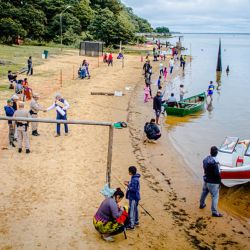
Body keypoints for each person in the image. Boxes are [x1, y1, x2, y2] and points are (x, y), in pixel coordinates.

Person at [199, 146, 223, 217]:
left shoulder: (206, 159)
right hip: (213, 182)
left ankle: (201, 204)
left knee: (204, 192)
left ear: (210, 152)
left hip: (206, 179)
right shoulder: (216, 163)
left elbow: (204, 167)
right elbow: (217, 174)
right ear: (217, 153)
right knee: (215, 196)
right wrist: (219, 182)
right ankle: (214, 212)